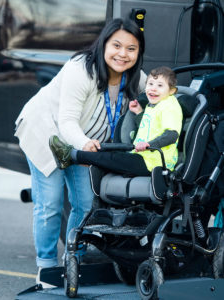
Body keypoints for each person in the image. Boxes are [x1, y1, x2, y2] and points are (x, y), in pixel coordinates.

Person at [14, 18, 146, 284]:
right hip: (48, 133)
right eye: (117, 45)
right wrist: (85, 145)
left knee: (85, 204)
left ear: (138, 53)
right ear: (103, 44)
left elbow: (160, 98)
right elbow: (67, 122)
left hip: (85, 145)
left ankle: (73, 260)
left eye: (131, 49)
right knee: (49, 203)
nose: (123, 54)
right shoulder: (82, 69)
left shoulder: (136, 77)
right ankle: (47, 269)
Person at [49, 66, 183, 176]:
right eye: (150, 84)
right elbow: (148, 126)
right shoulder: (153, 105)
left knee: (113, 158)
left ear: (171, 91)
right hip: (143, 157)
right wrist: (139, 113)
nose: (153, 88)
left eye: (160, 85)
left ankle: (71, 156)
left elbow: (172, 134)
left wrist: (149, 144)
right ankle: (72, 156)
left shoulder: (170, 106)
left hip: (155, 163)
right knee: (107, 153)